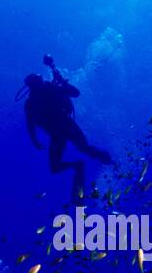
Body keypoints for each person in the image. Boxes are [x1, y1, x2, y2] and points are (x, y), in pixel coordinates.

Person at [19, 56, 111, 198]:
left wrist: (61, 82)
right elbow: (30, 124)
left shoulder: (46, 92)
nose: (40, 84)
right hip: (61, 131)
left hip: (64, 127)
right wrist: (34, 140)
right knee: (60, 163)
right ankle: (80, 166)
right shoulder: (34, 101)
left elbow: (75, 93)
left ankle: (106, 160)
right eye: (38, 82)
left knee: (83, 150)